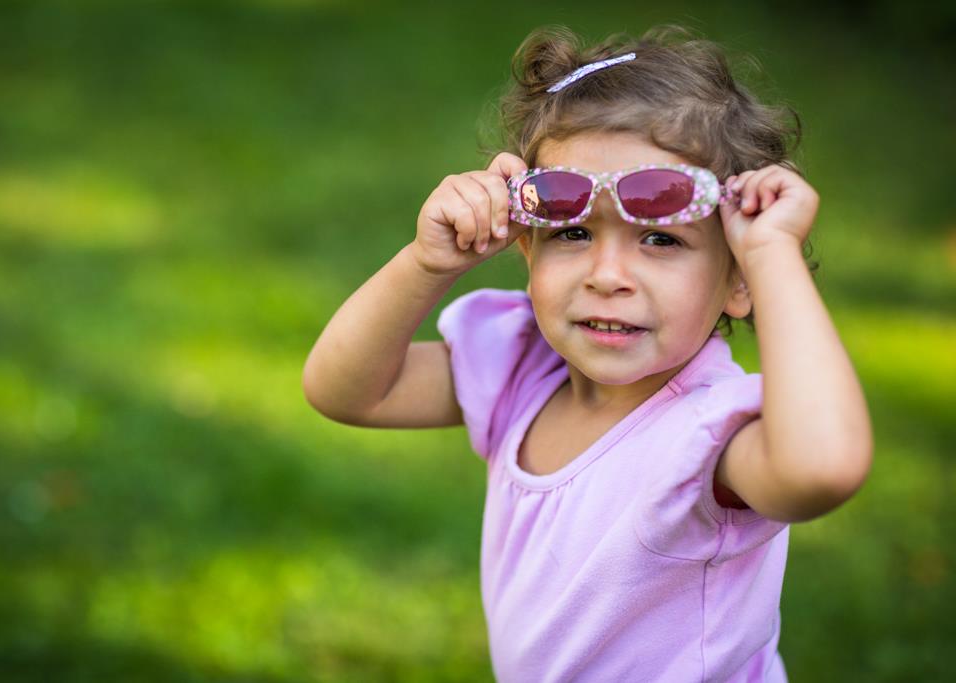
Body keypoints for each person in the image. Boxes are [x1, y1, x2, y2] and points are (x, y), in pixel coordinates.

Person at [302, 23, 873, 682]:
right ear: (527, 245)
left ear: (737, 278)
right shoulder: (523, 370)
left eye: (660, 240)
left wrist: (773, 254)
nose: (607, 273)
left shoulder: (703, 436)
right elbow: (346, 391)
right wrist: (427, 262)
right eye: (572, 231)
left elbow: (824, 466)